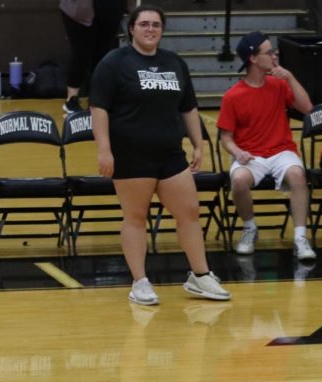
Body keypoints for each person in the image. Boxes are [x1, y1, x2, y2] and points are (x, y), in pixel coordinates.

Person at [89, 5, 231, 306]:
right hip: (130, 154)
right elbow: (98, 107)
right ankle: (140, 282)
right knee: (136, 217)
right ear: (132, 29)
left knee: (189, 212)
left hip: (169, 154)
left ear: (162, 29)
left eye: (155, 24)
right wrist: (104, 149)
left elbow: (188, 107)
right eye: (144, 24)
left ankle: (200, 275)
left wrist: (198, 144)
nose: (150, 29)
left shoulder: (174, 62)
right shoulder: (114, 63)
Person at [218, 31, 316, 261]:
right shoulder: (233, 96)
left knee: (297, 175)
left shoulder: (279, 85)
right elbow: (226, 138)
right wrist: (237, 152)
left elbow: (307, 107)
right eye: (269, 52)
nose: (274, 56)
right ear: (253, 58)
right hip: (250, 154)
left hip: (282, 150)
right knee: (239, 180)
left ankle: (300, 237)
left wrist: (290, 78)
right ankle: (250, 227)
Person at [59, 0, 126, 114]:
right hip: (79, 10)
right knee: (81, 52)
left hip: (111, 8)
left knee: (103, 54)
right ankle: (71, 99)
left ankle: (97, 99)